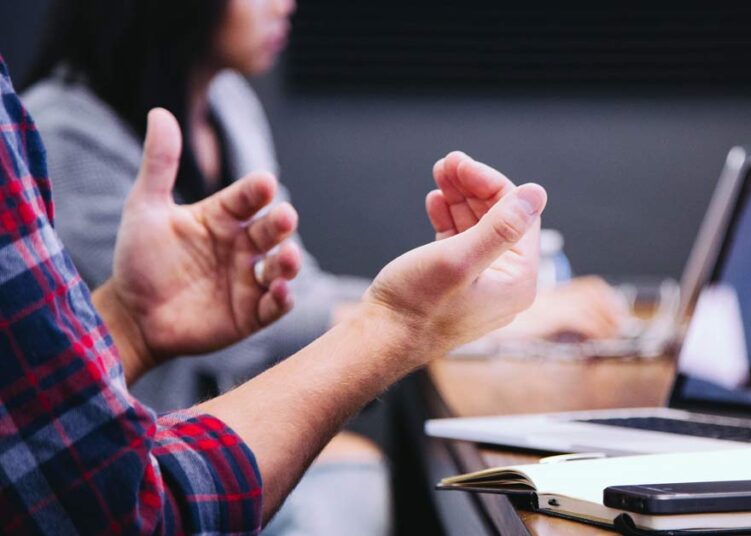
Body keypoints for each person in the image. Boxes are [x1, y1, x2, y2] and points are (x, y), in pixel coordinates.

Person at [0, 50, 548, 533]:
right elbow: (118, 510)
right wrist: (402, 324)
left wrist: (128, 322)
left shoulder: (228, 102)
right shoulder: (61, 128)